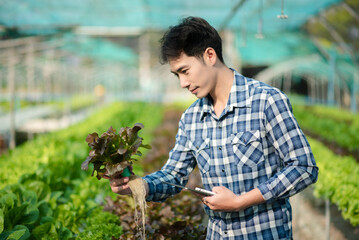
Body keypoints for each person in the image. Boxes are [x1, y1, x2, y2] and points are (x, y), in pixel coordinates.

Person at [108, 16, 318, 239]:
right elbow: (173, 176)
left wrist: (241, 201)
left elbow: (303, 167)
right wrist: (137, 186)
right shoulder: (191, 118)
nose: (183, 83)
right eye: (177, 74)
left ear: (210, 55)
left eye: (185, 70)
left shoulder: (266, 101)